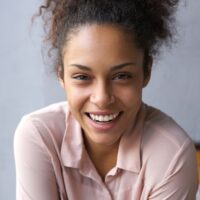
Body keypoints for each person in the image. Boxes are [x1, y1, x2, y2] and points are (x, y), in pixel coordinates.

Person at [14, 0, 199, 199]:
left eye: (121, 76)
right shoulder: (40, 136)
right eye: (82, 77)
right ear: (61, 75)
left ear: (146, 71)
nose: (102, 99)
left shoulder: (171, 154)